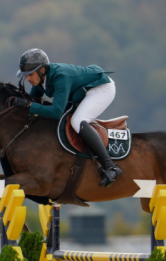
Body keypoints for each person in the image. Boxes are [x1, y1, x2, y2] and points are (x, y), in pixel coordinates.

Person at [12, 48, 122, 187]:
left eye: (30, 75)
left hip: (101, 88)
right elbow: (33, 101)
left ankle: (110, 166)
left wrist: (28, 106)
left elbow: (56, 111)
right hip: (82, 91)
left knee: (77, 121)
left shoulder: (60, 76)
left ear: (42, 70)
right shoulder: (39, 80)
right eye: (25, 75)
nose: (27, 79)